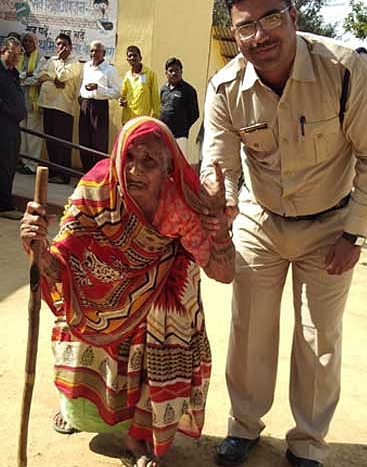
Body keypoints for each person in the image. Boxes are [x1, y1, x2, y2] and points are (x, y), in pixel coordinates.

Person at [203, 0, 367, 466]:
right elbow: (218, 167)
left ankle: (307, 442)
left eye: (271, 18)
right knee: (249, 331)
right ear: (234, 31)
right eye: (246, 26)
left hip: (331, 226)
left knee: (318, 338)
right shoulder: (225, 89)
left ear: (293, 15)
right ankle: (243, 427)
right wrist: (217, 221)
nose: (259, 35)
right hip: (259, 221)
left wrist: (354, 234)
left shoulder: (346, 70)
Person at [19, 117, 235, 467]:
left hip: (164, 279)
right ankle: (76, 410)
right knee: (79, 299)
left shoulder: (181, 201)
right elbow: (61, 264)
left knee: (170, 320)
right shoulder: (98, 187)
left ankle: (140, 435)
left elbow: (224, 274)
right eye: (129, 157)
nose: (133, 170)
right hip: (106, 280)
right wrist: (38, 250)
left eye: (149, 162)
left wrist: (219, 230)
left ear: (168, 167)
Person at [37, 32, 82, 185]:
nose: (60, 47)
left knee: (62, 143)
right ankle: (54, 172)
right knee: (50, 141)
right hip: (48, 104)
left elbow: (63, 77)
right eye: (58, 44)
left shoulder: (75, 63)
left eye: (64, 44)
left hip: (63, 107)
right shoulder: (51, 60)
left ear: (70, 47)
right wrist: (52, 77)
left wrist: (59, 66)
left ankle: (63, 175)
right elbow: (39, 75)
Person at [79, 40, 121, 171]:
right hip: (85, 104)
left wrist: (98, 89)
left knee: (98, 141)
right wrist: (81, 94)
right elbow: (83, 83)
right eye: (91, 50)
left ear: (103, 53)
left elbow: (117, 92)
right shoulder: (86, 66)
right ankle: (86, 172)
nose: (94, 53)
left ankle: (98, 173)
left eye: (97, 51)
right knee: (84, 140)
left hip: (100, 106)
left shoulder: (110, 70)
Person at [0, 37, 25, 219]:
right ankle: (3, 205)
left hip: (13, 127)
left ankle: (5, 201)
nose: (16, 58)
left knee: (10, 164)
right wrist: (8, 110)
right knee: (2, 164)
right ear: (3, 51)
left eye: (18, 55)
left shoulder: (13, 73)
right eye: (13, 53)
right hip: (3, 124)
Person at [17, 32, 46, 175]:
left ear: (35, 43)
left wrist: (23, 78)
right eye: (25, 41)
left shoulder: (40, 58)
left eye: (30, 41)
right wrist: (25, 75)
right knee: (22, 133)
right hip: (20, 101)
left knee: (34, 134)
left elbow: (37, 78)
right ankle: (24, 162)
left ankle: (32, 165)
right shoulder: (19, 57)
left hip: (34, 102)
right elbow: (15, 76)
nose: (27, 43)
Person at [159, 57, 199, 158]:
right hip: (165, 135)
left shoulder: (188, 90)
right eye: (171, 71)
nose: (174, 73)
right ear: (166, 73)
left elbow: (194, 114)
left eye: (177, 70)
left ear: (181, 71)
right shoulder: (164, 89)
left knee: (179, 162)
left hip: (180, 136)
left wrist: (183, 127)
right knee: (165, 161)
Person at [120, 46, 160, 124]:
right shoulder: (127, 75)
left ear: (140, 58)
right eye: (130, 56)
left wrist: (156, 116)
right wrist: (122, 101)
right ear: (127, 60)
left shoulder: (150, 74)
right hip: (129, 119)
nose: (132, 58)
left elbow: (155, 97)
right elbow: (123, 95)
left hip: (143, 120)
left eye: (135, 55)